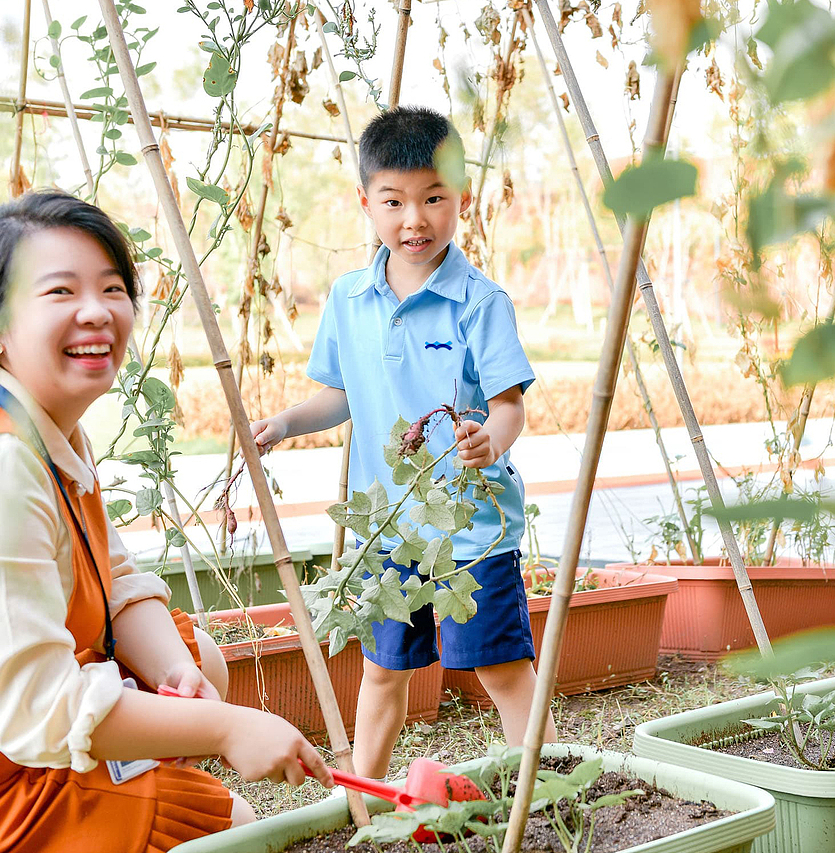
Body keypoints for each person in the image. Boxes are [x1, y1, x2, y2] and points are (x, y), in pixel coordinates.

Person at [0, 190, 332, 852]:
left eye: (113, 287)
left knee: (195, 658)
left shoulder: (40, 427)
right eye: (61, 291)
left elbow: (116, 575)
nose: (97, 311)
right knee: (227, 825)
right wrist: (225, 728)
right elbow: (41, 709)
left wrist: (184, 682)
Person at [250, 106, 558, 782]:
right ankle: (364, 796)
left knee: (503, 670)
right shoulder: (349, 298)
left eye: (432, 199)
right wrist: (283, 423)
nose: (413, 219)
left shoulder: (481, 302)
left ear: (461, 201)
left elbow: (509, 405)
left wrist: (488, 441)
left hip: (470, 530)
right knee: (383, 670)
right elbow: (341, 396)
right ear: (366, 202)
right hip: (388, 531)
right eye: (394, 201)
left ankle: (547, 785)